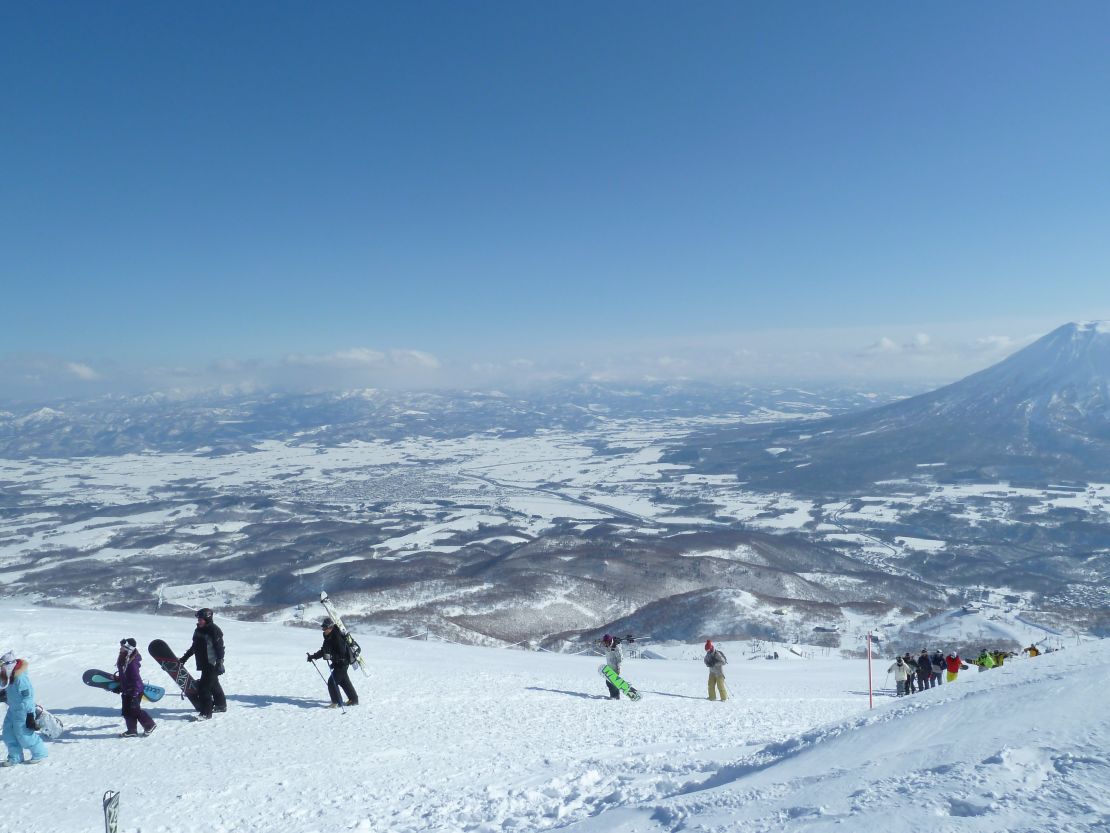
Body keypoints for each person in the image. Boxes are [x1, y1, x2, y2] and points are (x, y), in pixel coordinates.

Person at [0, 650, 48, 766]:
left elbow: (28, 697)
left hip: (24, 710)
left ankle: (40, 753)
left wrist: (30, 715)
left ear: (9, 665)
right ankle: (15, 757)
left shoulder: (20, 678)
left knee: (24, 735)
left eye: (2, 666)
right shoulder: (8, 676)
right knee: (8, 733)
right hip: (12, 709)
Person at [180, 608, 227, 720]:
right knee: (214, 684)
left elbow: (220, 648)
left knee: (204, 688)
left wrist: (220, 662)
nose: (199, 621)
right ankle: (221, 705)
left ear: (207, 618)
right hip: (204, 663)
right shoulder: (198, 630)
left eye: (201, 619)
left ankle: (206, 713)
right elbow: (194, 647)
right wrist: (184, 659)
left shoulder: (214, 630)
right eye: (198, 619)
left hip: (212, 663)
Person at [307, 618, 358, 707]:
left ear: (330, 627)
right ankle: (354, 699)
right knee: (343, 681)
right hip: (337, 663)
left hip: (342, 663)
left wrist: (330, 656)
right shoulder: (327, 637)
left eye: (325, 628)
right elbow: (324, 650)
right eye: (322, 628)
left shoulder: (337, 637)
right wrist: (313, 656)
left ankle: (336, 702)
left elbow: (342, 653)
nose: (323, 630)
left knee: (332, 682)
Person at [115, 638, 156, 737]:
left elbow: (136, 679)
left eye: (122, 647)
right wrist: (119, 684)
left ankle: (150, 725)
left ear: (128, 649)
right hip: (126, 689)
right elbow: (124, 675)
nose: (120, 649)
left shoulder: (131, 663)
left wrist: (134, 694)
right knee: (126, 711)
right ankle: (132, 730)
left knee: (135, 710)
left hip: (135, 690)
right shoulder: (124, 658)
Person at [601, 634, 623, 700]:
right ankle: (612, 695)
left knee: (613, 683)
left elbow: (620, 659)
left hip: (615, 667)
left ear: (610, 641)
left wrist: (619, 668)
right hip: (609, 667)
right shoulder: (607, 646)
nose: (605, 644)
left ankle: (616, 696)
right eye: (604, 642)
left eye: (606, 642)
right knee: (608, 682)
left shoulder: (616, 647)